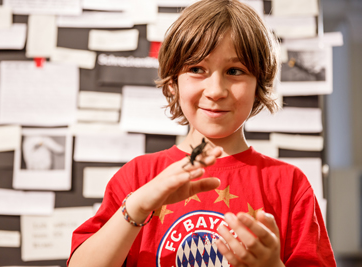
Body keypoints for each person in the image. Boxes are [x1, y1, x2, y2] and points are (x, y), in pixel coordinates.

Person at [68, 0, 336, 266]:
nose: (216, 90)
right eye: (197, 69)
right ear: (173, 83)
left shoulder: (289, 186)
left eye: (235, 71)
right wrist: (136, 208)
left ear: (259, 84)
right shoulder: (137, 178)